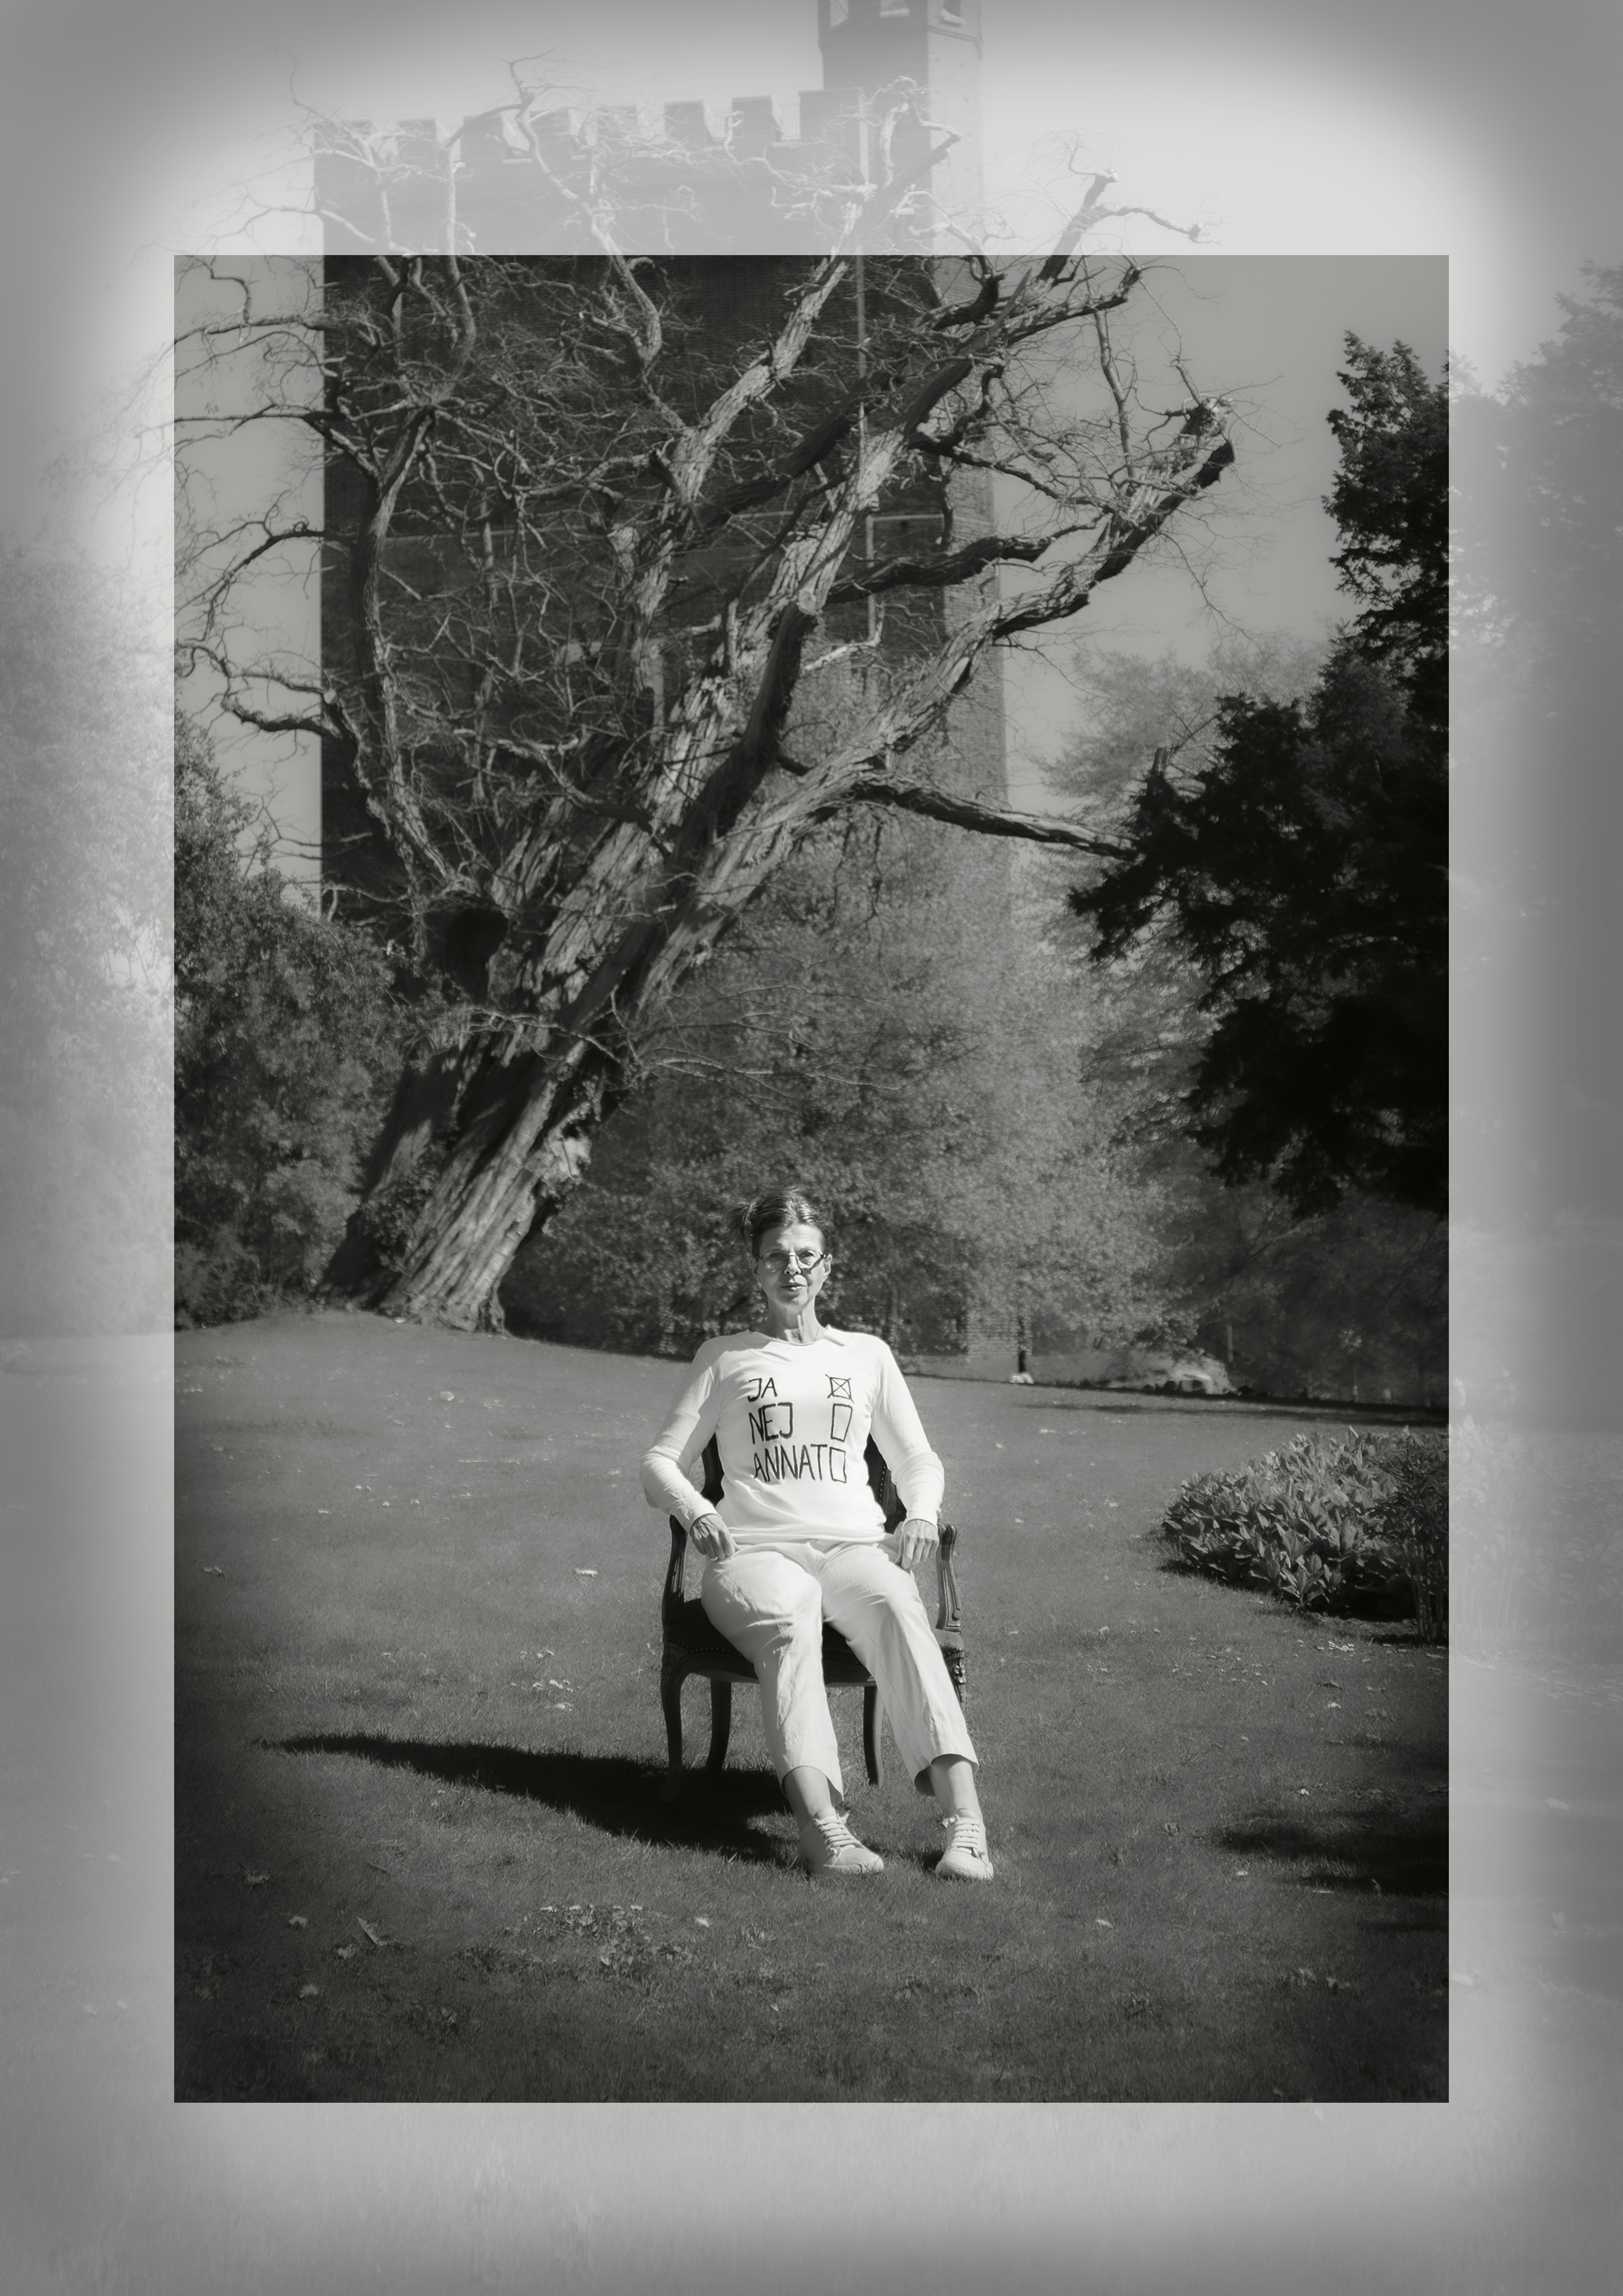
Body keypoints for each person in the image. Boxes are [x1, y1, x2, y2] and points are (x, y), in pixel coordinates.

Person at [641, 1188, 993, 1882]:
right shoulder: (725, 1357)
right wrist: (698, 1511)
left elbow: (917, 1460)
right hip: (753, 1554)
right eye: (777, 1256)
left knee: (898, 1606)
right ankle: (824, 1830)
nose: (792, 1269)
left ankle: (966, 1828)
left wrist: (920, 1514)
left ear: (827, 1267)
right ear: (757, 1269)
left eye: (806, 1256)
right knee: (789, 1610)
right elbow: (659, 1463)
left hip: (853, 1548)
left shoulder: (867, 1355)